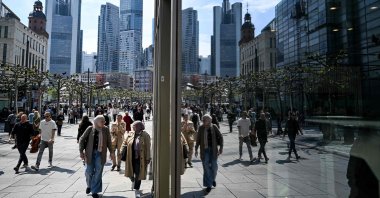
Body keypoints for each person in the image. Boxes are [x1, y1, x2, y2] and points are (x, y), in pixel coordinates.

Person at [79, 115, 115, 198]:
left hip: (100, 154)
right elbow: (82, 139)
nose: (104, 122)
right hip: (89, 153)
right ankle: (89, 185)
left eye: (104, 121)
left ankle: (95, 191)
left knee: (98, 172)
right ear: (96, 122)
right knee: (89, 171)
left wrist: (112, 152)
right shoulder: (90, 128)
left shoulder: (105, 129)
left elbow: (109, 142)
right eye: (102, 121)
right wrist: (81, 151)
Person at [195, 115, 223, 193]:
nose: (203, 121)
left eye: (205, 120)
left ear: (209, 120)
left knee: (214, 166)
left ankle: (212, 179)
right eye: (203, 120)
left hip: (213, 150)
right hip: (205, 150)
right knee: (206, 167)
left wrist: (221, 148)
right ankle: (209, 185)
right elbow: (198, 139)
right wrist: (196, 149)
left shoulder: (214, 126)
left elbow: (220, 137)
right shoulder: (201, 128)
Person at [123, 121, 151, 198]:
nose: (132, 127)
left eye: (134, 126)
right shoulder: (130, 134)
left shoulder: (145, 135)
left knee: (138, 174)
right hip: (131, 157)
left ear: (139, 127)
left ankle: (136, 189)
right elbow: (124, 143)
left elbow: (148, 147)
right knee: (130, 173)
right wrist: (121, 151)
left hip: (140, 158)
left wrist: (148, 157)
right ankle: (133, 180)